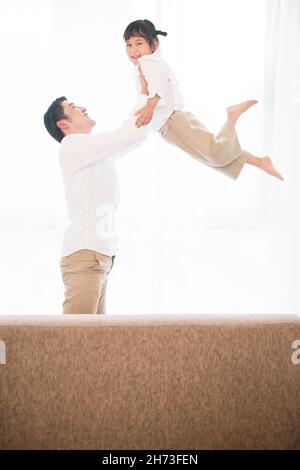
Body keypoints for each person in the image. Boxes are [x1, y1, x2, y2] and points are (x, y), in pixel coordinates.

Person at [124, 19, 284, 181]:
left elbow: (161, 80)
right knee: (214, 156)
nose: (133, 50)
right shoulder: (143, 66)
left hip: (175, 121)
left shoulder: (149, 62)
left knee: (213, 153)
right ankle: (260, 162)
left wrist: (150, 106)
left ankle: (232, 118)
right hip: (169, 128)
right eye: (128, 45)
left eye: (139, 43)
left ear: (154, 46)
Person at [43, 83, 150, 314]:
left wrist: (149, 99)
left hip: (98, 258)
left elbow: (136, 137)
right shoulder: (72, 145)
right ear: (63, 124)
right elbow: (128, 135)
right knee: (76, 343)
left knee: (93, 343)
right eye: (73, 107)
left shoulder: (96, 156)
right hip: (85, 257)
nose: (82, 107)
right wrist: (143, 93)